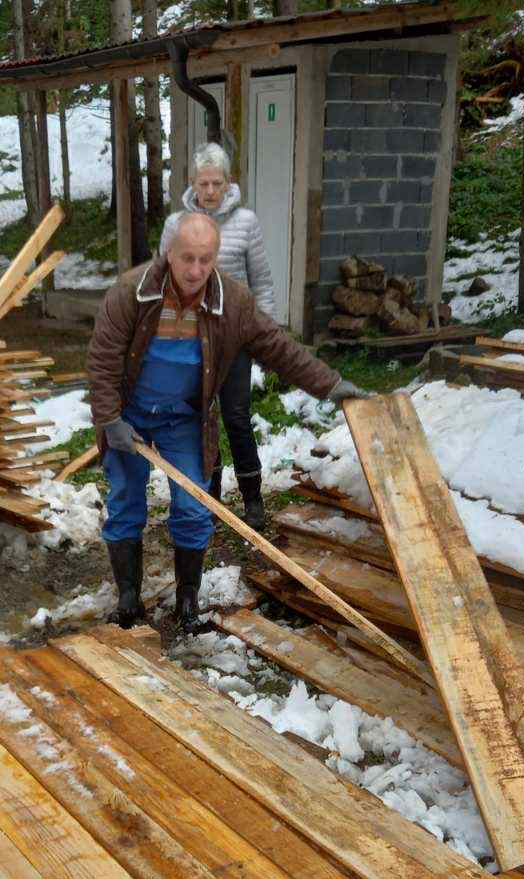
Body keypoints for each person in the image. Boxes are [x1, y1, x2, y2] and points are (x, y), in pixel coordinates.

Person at [88, 210, 365, 632]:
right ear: (169, 253)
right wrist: (110, 420)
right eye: (187, 258)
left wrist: (330, 385)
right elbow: (103, 360)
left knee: (193, 507)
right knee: (126, 499)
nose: (195, 270)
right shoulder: (131, 293)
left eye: (205, 259)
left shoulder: (232, 302)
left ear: (215, 258)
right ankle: (128, 599)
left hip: (185, 418)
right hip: (130, 415)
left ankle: (187, 602)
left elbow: (278, 347)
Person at [160, 143, 273, 529]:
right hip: (191, 341)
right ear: (192, 183)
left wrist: (265, 336)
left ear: (229, 183)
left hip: (235, 339)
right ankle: (210, 498)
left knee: (237, 416)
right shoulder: (176, 226)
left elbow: (262, 284)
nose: (210, 191)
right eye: (203, 183)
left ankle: (253, 498)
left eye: (217, 183)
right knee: (200, 419)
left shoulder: (246, 223)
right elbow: (162, 281)